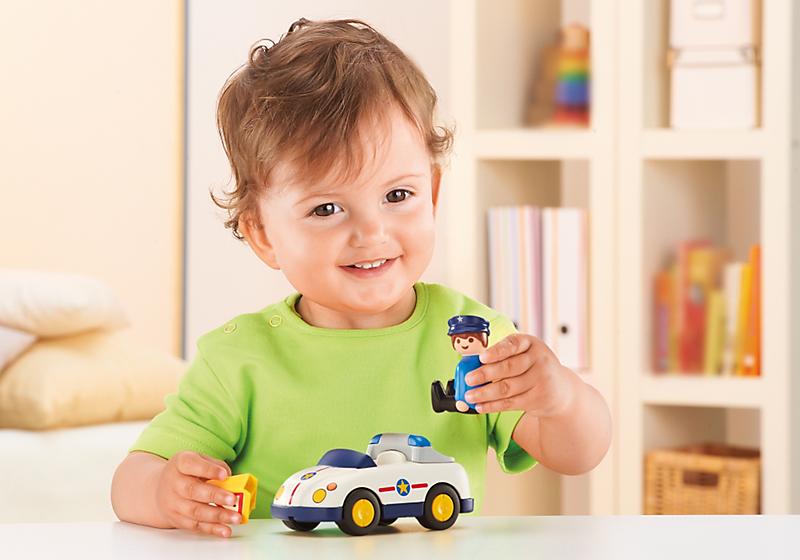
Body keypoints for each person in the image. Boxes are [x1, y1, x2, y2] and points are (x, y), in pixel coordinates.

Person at [111, 18, 611, 538]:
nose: (372, 232)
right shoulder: (238, 360)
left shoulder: (472, 338)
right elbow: (131, 480)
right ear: (262, 233)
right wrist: (166, 491)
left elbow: (580, 452)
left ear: (432, 194)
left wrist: (560, 398)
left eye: (397, 195)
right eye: (326, 208)